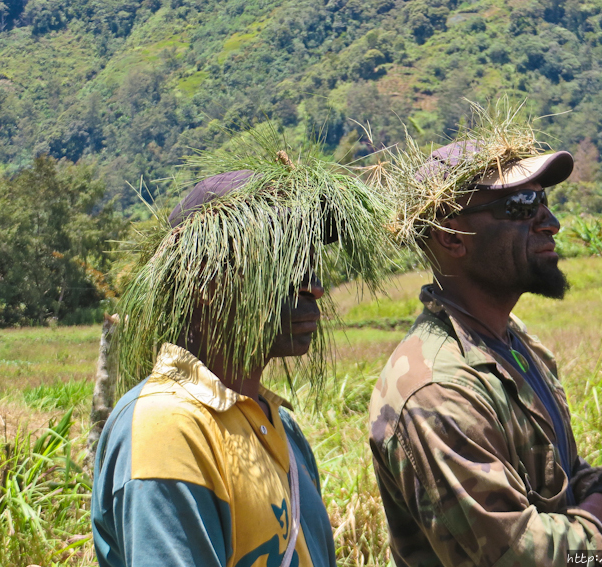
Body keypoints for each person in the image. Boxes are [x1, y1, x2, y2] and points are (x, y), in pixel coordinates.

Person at [92, 146, 393, 567]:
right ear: (205, 277)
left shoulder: (279, 425)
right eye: (284, 261)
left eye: (312, 263)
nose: (314, 287)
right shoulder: (168, 428)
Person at [368, 130, 602, 566]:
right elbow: (519, 554)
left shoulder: (513, 343)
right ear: (452, 237)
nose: (550, 222)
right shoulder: (436, 389)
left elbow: (562, 478)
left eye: (544, 200)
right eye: (522, 206)